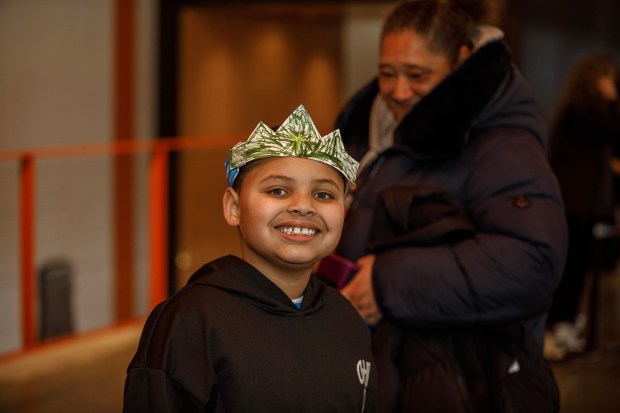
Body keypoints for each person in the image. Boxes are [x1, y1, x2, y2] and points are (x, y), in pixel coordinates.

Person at [332, 0, 568, 411]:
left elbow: (533, 261)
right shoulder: (372, 132)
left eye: (418, 75)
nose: (399, 90)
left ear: (461, 60)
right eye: (387, 73)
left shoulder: (501, 146)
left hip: (466, 385)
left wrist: (390, 282)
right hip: (386, 371)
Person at [123, 105, 377, 413]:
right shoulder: (192, 322)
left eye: (323, 195)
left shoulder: (346, 319)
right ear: (233, 207)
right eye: (278, 190)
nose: (303, 206)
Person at [544, 53, 620, 361]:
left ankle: (565, 326)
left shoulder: (582, 113)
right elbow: (614, 129)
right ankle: (557, 328)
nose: (612, 83)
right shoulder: (581, 112)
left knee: (577, 269)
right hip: (572, 205)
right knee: (570, 270)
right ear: (593, 79)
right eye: (608, 77)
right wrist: (614, 101)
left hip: (582, 205)